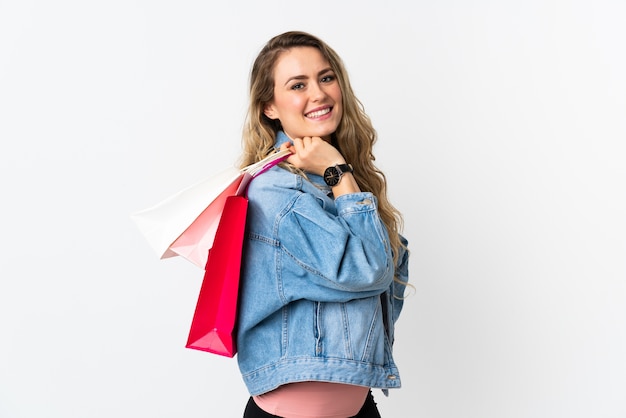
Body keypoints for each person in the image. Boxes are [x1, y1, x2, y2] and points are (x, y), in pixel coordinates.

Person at [236, 31, 410, 418]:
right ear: (269, 106)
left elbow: (384, 281)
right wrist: (339, 174)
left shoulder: (323, 179)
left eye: (326, 78)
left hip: (356, 405)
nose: (318, 93)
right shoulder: (278, 192)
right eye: (298, 85)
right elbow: (368, 272)